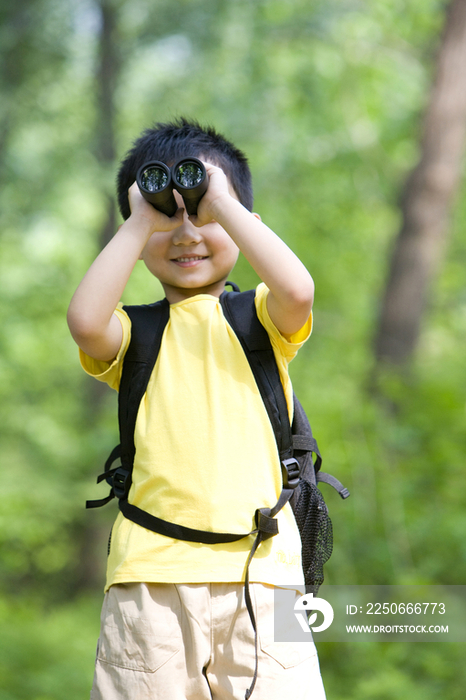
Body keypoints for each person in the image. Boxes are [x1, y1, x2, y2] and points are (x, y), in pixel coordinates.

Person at [67, 118, 326, 700]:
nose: (186, 232)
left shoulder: (261, 318)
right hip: (150, 580)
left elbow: (298, 290)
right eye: (166, 216)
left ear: (243, 224)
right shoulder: (134, 332)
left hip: (265, 579)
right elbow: (85, 322)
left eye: (202, 214)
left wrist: (224, 205)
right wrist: (139, 220)